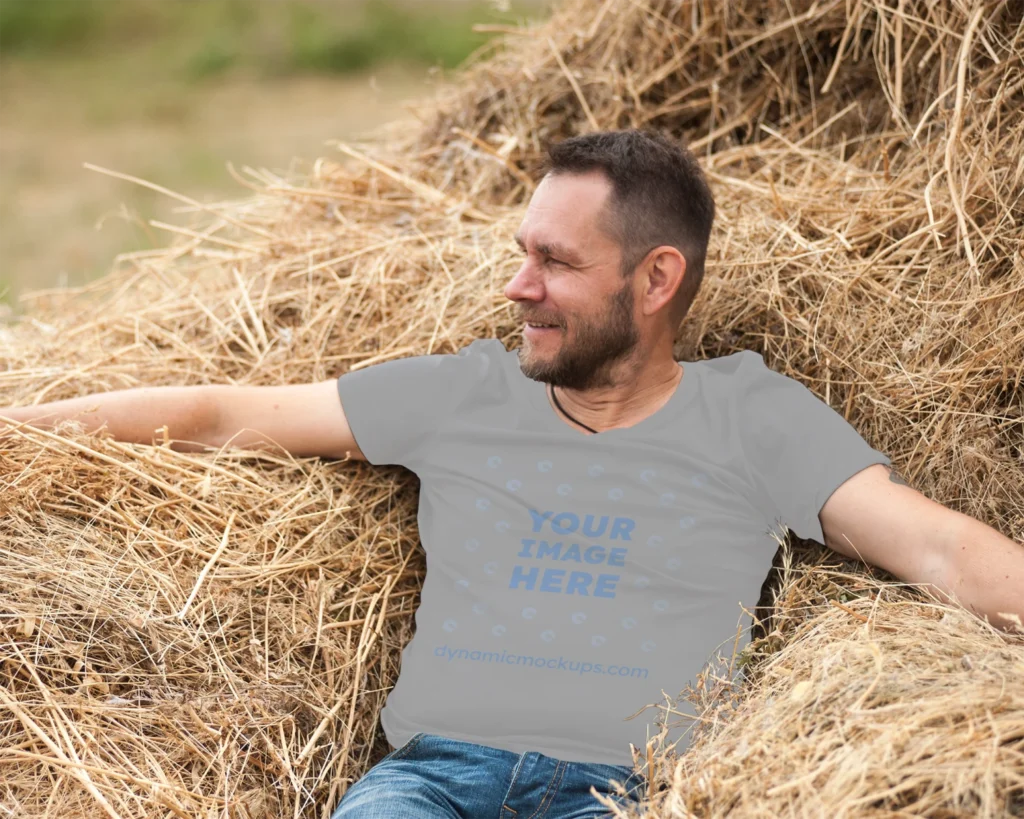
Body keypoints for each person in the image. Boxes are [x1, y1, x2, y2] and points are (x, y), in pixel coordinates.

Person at [0, 129, 896, 817]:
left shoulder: (753, 417)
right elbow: (219, 416)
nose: (517, 285)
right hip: (433, 781)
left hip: (631, 791)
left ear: (657, 277)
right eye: (522, 251)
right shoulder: (464, 391)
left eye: (556, 261)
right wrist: (16, 430)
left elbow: (933, 545)